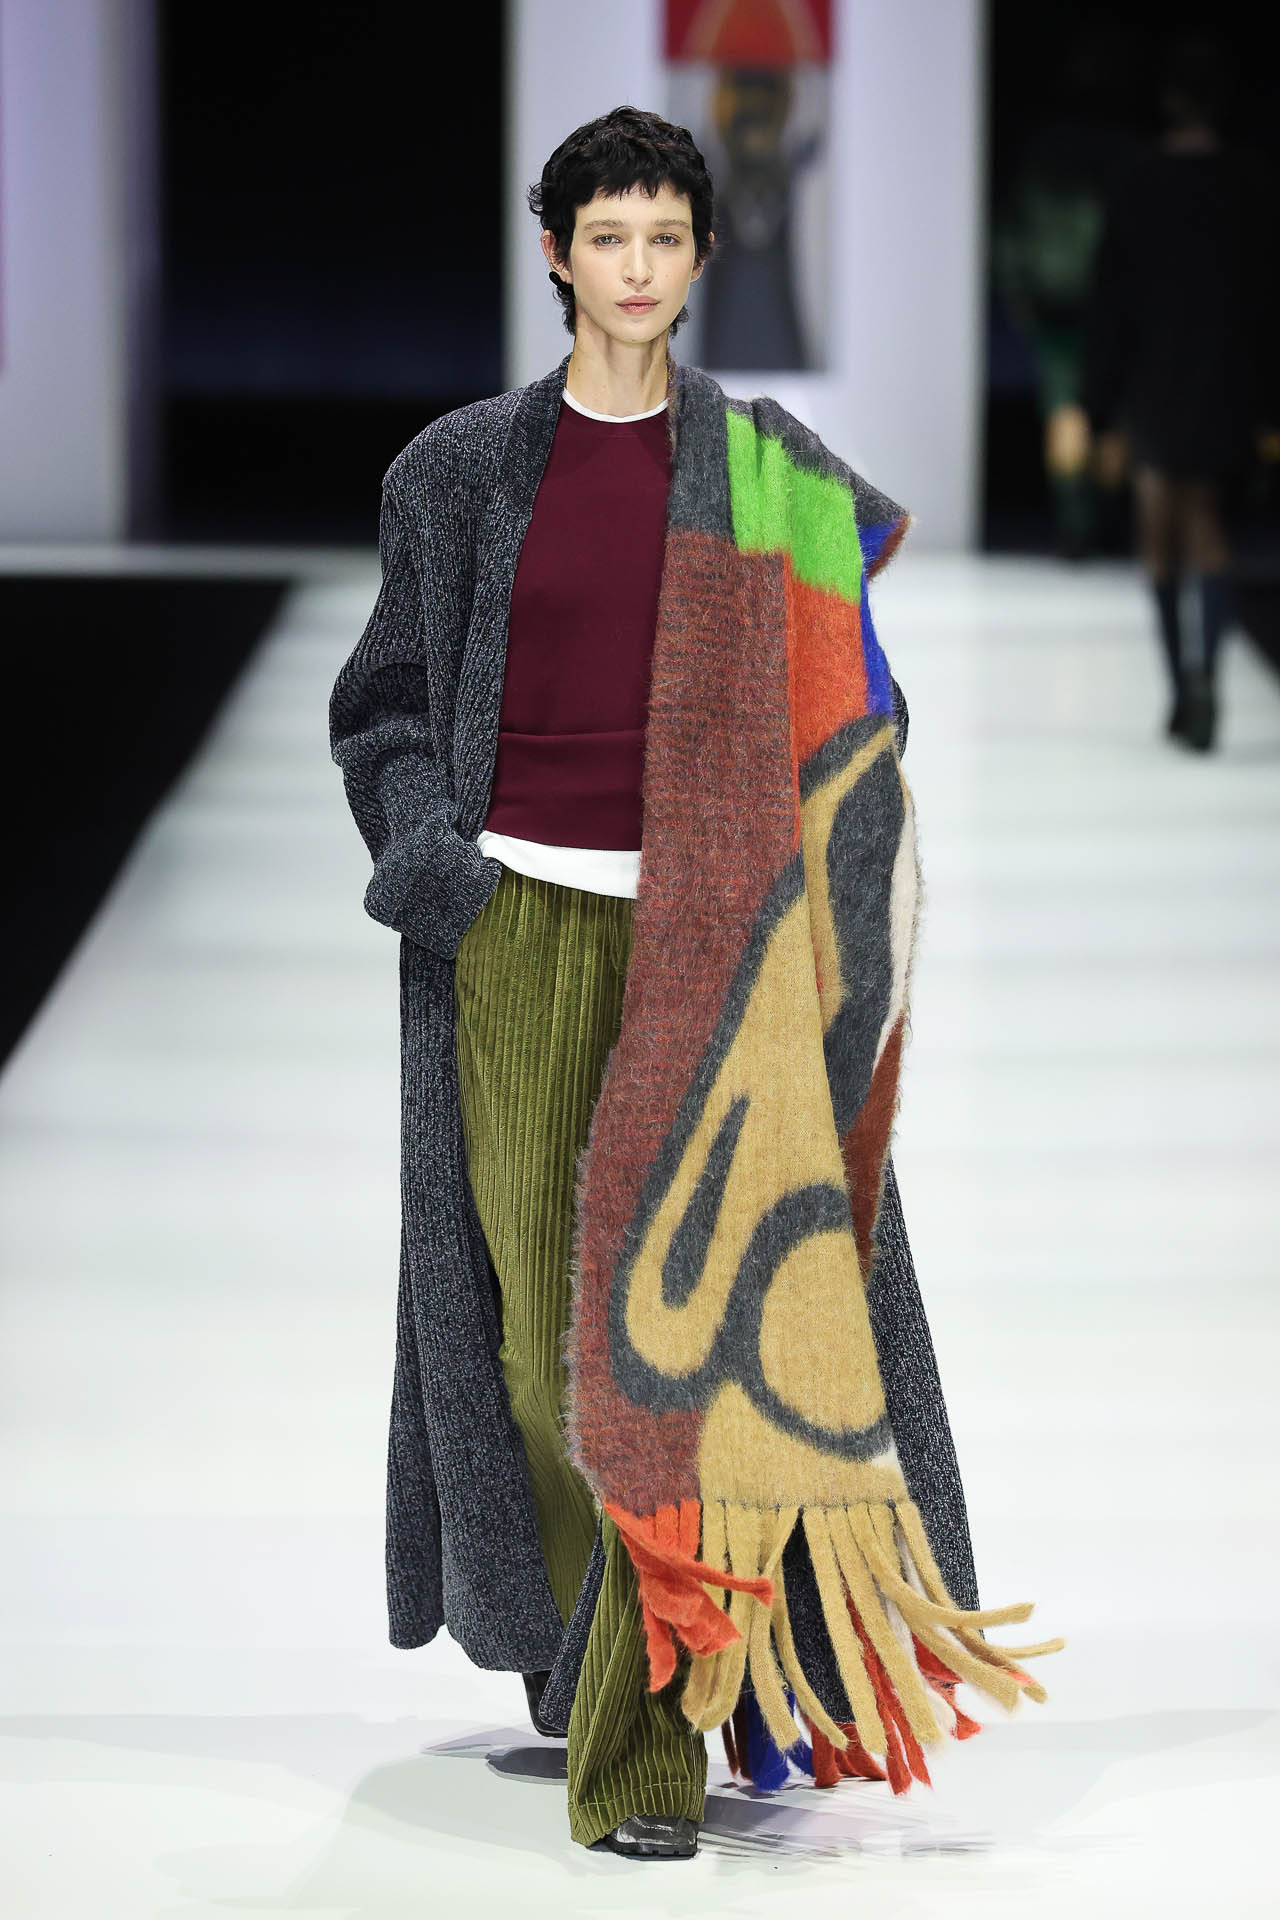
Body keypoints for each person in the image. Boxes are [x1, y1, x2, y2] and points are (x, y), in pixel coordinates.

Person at [329, 105, 1058, 1862]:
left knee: (659, 1359)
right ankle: (595, 1634)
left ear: (702, 257)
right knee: (528, 1355)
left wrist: (820, 890)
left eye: (666, 238)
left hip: (712, 954)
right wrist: (436, 866)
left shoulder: (768, 470)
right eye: (610, 238)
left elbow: (860, 699)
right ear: (559, 254)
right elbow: (387, 707)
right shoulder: (455, 474)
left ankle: (642, 1750)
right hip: (515, 933)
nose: (638, 268)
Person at [1074, 31, 1280, 750]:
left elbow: (1112, 301)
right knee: (1206, 524)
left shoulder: (1138, 185)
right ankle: (1205, 678)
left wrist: (1099, 404)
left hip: (1156, 378)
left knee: (1160, 531)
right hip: (1226, 376)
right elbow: (1268, 299)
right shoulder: (1252, 187)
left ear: (1168, 102)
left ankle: (1182, 690)